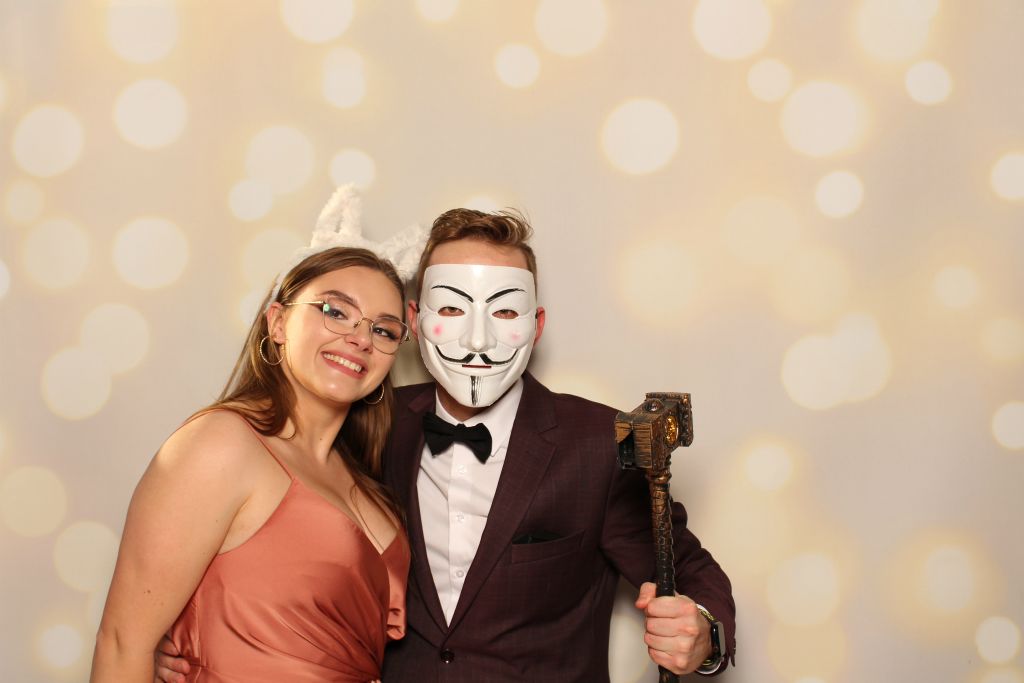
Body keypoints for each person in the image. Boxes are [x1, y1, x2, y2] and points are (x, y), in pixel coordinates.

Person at [157, 208, 735, 682]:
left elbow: (686, 567)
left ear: (536, 326)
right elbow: (268, 550)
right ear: (414, 319)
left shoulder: (598, 442)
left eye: (504, 310)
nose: (477, 338)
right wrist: (187, 640)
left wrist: (703, 633)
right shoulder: (367, 423)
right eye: (453, 307)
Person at [92, 239, 413, 682]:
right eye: (335, 311)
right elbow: (121, 644)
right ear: (277, 323)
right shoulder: (223, 443)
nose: (360, 339)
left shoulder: (367, 478)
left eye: (384, 331)